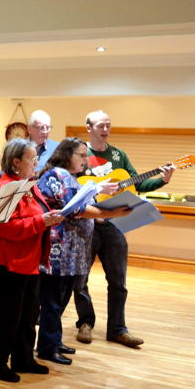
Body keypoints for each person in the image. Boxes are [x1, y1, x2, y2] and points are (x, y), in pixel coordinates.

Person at [72, 110, 174, 347]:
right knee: (80, 279)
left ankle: (117, 329)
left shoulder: (118, 155)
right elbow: (70, 185)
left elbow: (139, 183)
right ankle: (85, 322)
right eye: (100, 125)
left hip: (114, 225)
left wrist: (163, 179)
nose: (105, 129)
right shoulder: (79, 153)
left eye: (108, 125)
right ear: (88, 128)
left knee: (118, 280)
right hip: (85, 225)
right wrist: (95, 191)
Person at [35, 138, 130, 364]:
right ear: (67, 154)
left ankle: (54, 340)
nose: (85, 160)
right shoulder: (55, 174)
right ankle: (47, 347)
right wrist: (108, 213)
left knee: (63, 299)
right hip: (59, 251)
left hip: (72, 252)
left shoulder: (71, 177)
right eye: (81, 155)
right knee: (53, 301)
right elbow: (73, 208)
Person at [0, 138, 64, 382]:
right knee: (6, 316)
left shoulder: (28, 184)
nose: (36, 162)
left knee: (27, 314)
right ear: (16, 162)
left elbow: (37, 213)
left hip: (28, 259)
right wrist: (42, 221)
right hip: (6, 261)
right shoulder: (5, 188)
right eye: (32, 158)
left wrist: (51, 216)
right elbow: (6, 228)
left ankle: (22, 358)